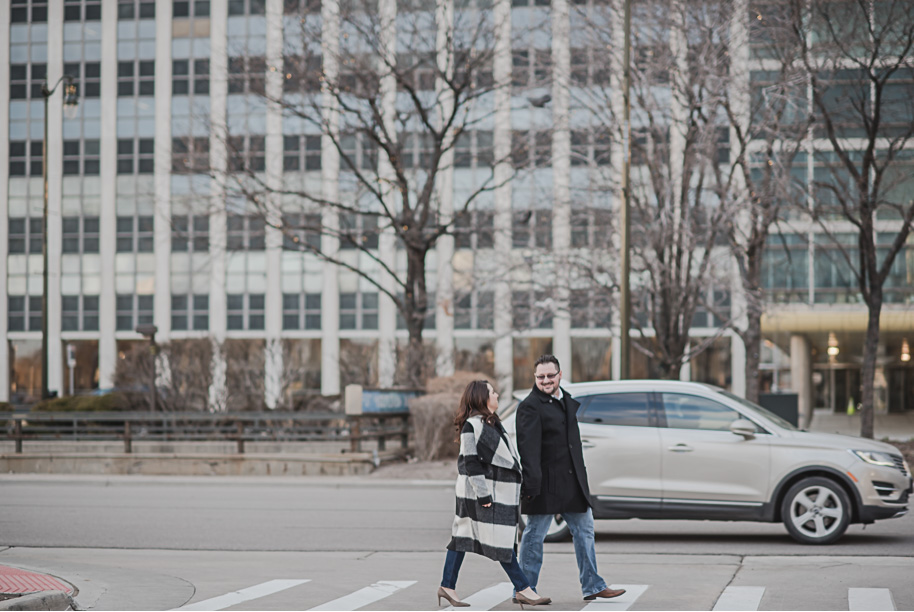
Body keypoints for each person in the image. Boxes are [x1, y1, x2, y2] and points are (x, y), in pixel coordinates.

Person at [515, 355, 626, 601]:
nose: (545, 380)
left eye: (550, 375)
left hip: (572, 483)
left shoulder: (565, 400)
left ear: (559, 375)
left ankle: (593, 585)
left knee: (585, 531)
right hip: (545, 484)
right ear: (535, 378)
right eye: (540, 376)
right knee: (534, 535)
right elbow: (528, 450)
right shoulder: (529, 406)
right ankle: (524, 589)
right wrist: (531, 486)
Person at [439, 380, 552, 609]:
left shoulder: (490, 423)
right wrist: (483, 496)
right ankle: (524, 589)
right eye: (492, 391)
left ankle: (447, 586)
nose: (497, 394)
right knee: (497, 539)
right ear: (482, 397)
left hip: (496, 493)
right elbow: (470, 462)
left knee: (463, 537)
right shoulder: (473, 425)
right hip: (481, 495)